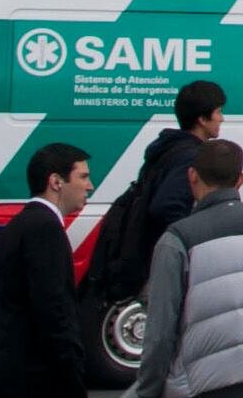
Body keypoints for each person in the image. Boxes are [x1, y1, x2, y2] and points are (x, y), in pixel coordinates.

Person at [98, 138, 243, 398]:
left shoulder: (179, 238)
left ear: (192, 175)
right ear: (241, 179)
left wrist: (148, 393)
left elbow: (160, 329)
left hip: (205, 391)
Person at [0, 142, 92, 398]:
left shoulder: (21, 225)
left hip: (11, 382)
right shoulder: (45, 228)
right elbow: (53, 310)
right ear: (56, 181)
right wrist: (72, 375)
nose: (89, 186)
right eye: (83, 176)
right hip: (36, 389)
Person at [91, 80, 230, 312]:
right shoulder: (190, 155)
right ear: (202, 119)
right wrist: (193, 240)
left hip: (147, 256)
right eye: (218, 112)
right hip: (162, 261)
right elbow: (167, 206)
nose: (222, 118)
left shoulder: (169, 148)